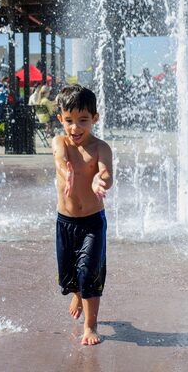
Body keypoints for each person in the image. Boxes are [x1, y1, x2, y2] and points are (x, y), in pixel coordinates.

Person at [52, 84, 114, 346]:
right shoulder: (60, 142)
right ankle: (76, 291)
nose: (75, 128)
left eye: (83, 121)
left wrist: (100, 181)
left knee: (89, 272)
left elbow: (107, 174)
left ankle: (90, 326)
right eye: (69, 121)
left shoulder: (101, 148)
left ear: (95, 118)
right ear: (60, 119)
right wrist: (69, 173)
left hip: (92, 222)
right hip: (65, 222)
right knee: (68, 276)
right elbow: (59, 159)